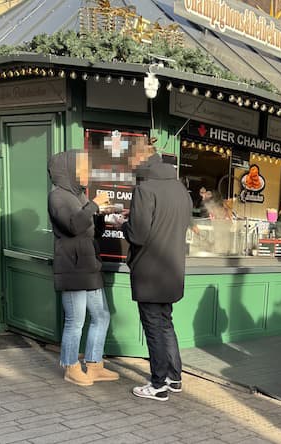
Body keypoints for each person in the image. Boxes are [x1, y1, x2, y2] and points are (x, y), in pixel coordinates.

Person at [122, 140, 193, 401]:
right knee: (165, 324)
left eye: (130, 160)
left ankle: (158, 385)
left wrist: (123, 224)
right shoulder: (180, 188)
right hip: (172, 270)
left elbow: (137, 235)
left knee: (153, 327)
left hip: (150, 272)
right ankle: (174, 378)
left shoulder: (145, 189)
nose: (129, 166)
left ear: (139, 158)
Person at [47, 150, 120, 386]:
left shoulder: (79, 196)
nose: (88, 173)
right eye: (83, 168)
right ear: (69, 169)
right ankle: (71, 367)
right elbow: (73, 226)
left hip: (89, 266)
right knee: (75, 321)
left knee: (101, 315)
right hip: (72, 267)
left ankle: (95, 365)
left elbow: (91, 231)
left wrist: (101, 215)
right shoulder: (57, 197)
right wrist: (94, 206)